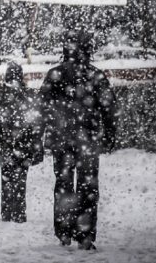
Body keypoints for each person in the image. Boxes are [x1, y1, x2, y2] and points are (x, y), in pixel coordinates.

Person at [39, 37, 116, 251]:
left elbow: (41, 108)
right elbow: (108, 108)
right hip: (87, 140)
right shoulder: (95, 75)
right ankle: (85, 234)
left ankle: (64, 232)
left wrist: (39, 136)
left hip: (61, 138)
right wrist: (109, 135)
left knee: (63, 184)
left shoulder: (55, 74)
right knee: (88, 186)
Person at [0, 61, 44, 223]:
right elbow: (39, 119)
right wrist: (34, 137)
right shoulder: (29, 94)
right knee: (21, 176)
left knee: (6, 174)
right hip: (24, 142)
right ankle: (19, 211)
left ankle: (7, 211)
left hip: (3, 142)